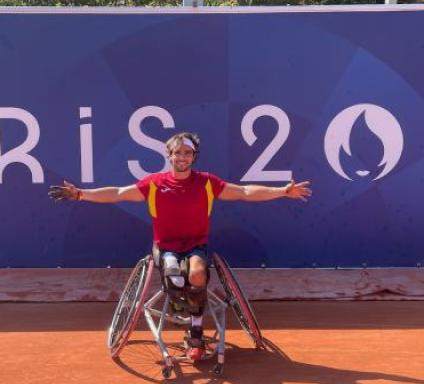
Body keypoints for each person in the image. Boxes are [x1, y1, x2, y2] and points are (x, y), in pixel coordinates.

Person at [49, 132, 311, 361]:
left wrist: (282, 191)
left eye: (187, 152)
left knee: (197, 274)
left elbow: (244, 192)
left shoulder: (207, 182)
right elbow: (117, 193)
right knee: (174, 274)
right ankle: (179, 307)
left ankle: (195, 333)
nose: (182, 157)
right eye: (177, 153)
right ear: (170, 155)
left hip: (196, 246)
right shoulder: (154, 183)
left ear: (194, 156)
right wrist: (81, 194)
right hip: (166, 249)